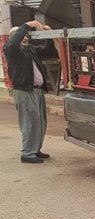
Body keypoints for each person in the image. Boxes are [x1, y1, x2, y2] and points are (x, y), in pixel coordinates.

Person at [3, 20, 58, 164]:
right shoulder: (11, 49)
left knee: (40, 122)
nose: (26, 38)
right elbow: (14, 42)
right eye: (23, 36)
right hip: (24, 91)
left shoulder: (30, 49)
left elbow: (49, 51)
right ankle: (27, 153)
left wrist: (48, 35)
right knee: (30, 122)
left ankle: (35, 149)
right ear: (16, 37)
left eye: (27, 36)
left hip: (37, 91)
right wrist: (27, 25)